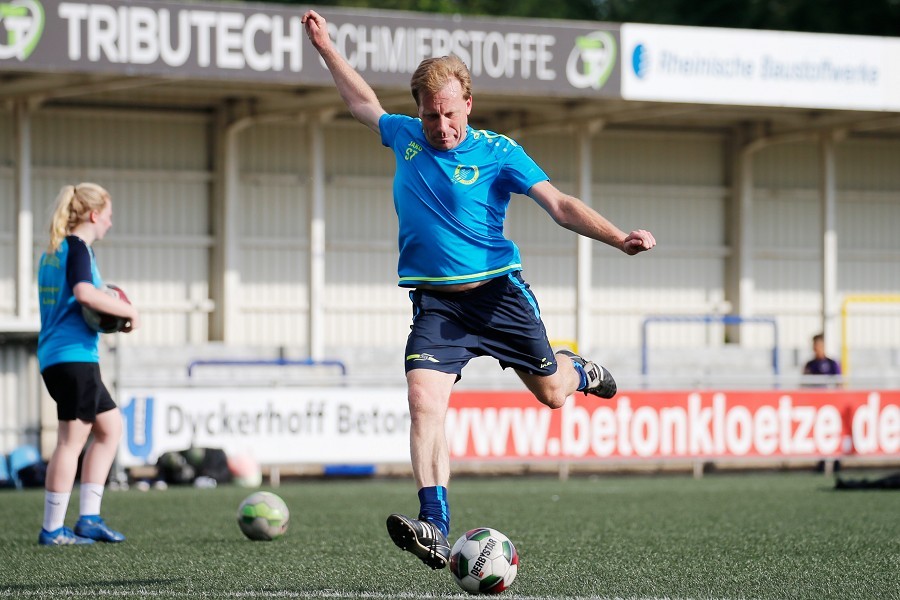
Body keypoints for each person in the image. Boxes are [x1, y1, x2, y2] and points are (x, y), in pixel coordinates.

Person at [302, 10, 656, 570]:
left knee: (553, 394)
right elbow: (361, 102)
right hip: (437, 305)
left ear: (467, 101)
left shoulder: (499, 153)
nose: (439, 127)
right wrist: (325, 46)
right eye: (428, 115)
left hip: (498, 297)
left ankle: (580, 371)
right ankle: (435, 526)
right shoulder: (406, 138)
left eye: (448, 114)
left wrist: (619, 238)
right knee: (423, 401)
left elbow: (560, 206)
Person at [36, 183, 140, 545]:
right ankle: (52, 530)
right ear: (94, 215)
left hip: (60, 356)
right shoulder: (78, 248)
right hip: (74, 357)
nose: (110, 223)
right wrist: (127, 310)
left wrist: (106, 313)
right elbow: (84, 294)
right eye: (108, 216)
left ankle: (89, 520)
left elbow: (78, 304)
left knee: (110, 427)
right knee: (70, 441)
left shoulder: (53, 252)